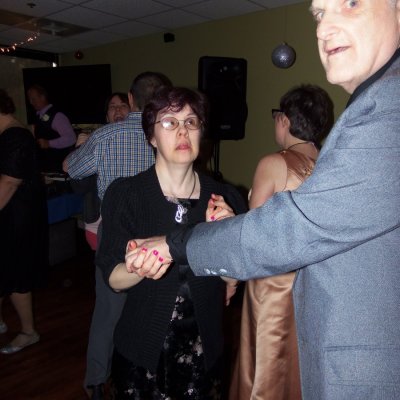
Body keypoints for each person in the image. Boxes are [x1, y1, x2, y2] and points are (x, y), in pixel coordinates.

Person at [124, 1, 400, 399]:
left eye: (350, 3)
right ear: (151, 135)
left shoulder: (388, 105)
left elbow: (290, 229)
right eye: (319, 13)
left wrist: (175, 244)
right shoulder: (128, 193)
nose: (323, 29)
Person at [96, 86, 247, 399]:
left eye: (191, 122)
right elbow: (112, 276)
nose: (182, 131)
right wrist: (138, 267)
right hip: (140, 354)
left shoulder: (226, 198)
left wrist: (228, 234)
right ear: (151, 137)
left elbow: (233, 280)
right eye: (169, 122)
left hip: (205, 356)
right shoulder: (126, 195)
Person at [63, 71, 172, 400]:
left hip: (116, 232)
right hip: (160, 233)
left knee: (107, 313)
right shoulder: (169, 133)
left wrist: (80, 146)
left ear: (130, 98)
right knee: (156, 310)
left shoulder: (106, 136)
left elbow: (70, 168)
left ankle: (97, 382)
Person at [230, 84, 333, 400]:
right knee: (301, 367)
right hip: (317, 283)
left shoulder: (274, 163)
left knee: (267, 370)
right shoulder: (330, 165)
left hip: (275, 285)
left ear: (285, 120)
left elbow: (255, 235)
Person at [0, 89, 48, 354]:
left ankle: (29, 332)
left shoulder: (15, 136)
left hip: (18, 216)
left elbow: (9, 183)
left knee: (16, 273)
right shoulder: (7, 135)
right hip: (10, 214)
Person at [70, 92, 130, 251]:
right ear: (106, 117)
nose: (118, 110)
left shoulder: (144, 140)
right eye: (112, 107)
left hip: (132, 224)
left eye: (123, 106)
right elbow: (79, 187)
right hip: (97, 223)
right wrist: (80, 149)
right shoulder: (96, 142)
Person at [27, 84, 76, 172]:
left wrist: (49, 143)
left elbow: (71, 138)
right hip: (47, 167)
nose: (31, 102)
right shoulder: (38, 116)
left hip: (58, 169)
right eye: (29, 99)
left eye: (33, 99)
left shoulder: (57, 116)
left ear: (42, 97)